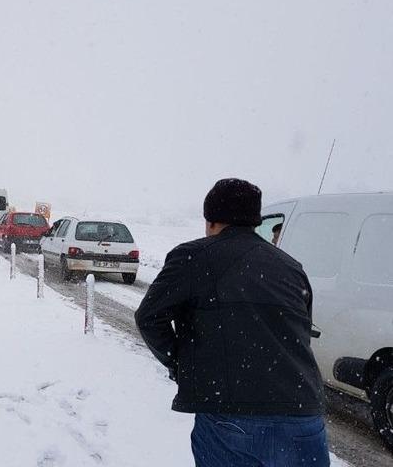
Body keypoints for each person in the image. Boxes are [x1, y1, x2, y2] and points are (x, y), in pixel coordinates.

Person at [134, 178, 328, 467]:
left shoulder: (194, 257)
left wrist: (180, 364)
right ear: (255, 221)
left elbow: (149, 317)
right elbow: (300, 332)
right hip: (305, 417)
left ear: (211, 221)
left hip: (233, 419)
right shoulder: (291, 267)